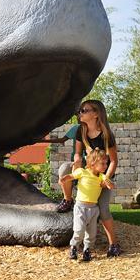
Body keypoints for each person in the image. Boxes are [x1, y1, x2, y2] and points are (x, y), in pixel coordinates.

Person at [56, 99, 122, 258]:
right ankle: (68, 199)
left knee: (104, 210)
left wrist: (106, 178)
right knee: (65, 168)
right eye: (80, 110)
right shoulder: (81, 130)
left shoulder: (106, 135)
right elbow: (78, 152)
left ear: (96, 114)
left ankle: (113, 244)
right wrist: (77, 159)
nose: (80, 113)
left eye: (84, 110)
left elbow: (113, 160)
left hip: (100, 177)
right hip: (86, 173)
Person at [61, 148, 114, 261]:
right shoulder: (82, 172)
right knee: (79, 230)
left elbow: (108, 182)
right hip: (80, 208)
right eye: (103, 163)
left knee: (91, 234)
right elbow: (71, 176)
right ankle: (74, 247)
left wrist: (109, 184)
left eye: (106, 163)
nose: (106, 166)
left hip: (94, 209)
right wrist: (65, 178)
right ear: (93, 163)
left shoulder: (101, 176)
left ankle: (87, 250)